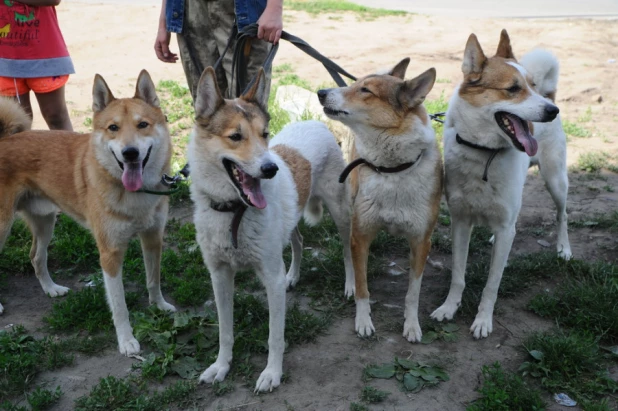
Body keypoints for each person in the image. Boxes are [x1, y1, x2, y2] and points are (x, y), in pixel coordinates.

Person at [154, 0, 283, 101]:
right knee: (207, 109)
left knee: (249, 110)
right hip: (191, 11)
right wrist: (163, 21)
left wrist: (274, 7)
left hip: (242, 11)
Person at [0, 0, 74, 131]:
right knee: (15, 126)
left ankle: (68, 152)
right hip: (5, 57)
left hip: (45, 53)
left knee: (56, 116)